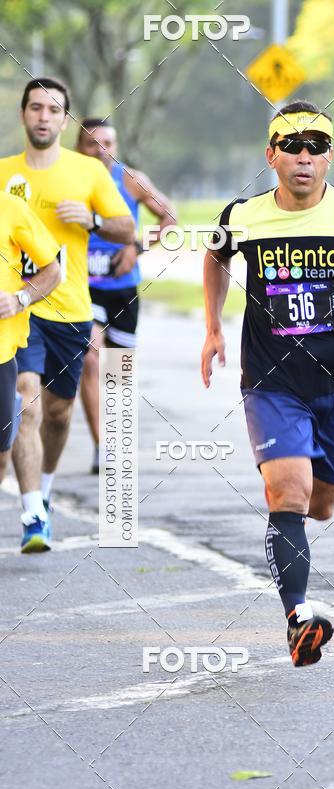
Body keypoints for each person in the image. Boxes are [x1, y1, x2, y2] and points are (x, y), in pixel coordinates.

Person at [201, 100, 334, 667]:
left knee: (319, 506)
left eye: (317, 146)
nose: (304, 156)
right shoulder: (242, 215)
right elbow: (215, 260)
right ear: (271, 155)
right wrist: (213, 328)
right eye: (292, 145)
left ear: (330, 157)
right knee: (286, 494)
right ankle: (299, 619)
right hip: (271, 382)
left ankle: (298, 561)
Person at [0, 78, 135, 551]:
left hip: (71, 308)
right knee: (25, 394)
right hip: (19, 307)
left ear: (64, 120)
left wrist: (93, 220)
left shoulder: (88, 171)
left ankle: (46, 489)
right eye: (35, 107)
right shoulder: (3, 173)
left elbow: (126, 228)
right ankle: (33, 511)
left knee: (58, 414)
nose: (42, 116)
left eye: (53, 110)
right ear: (23, 115)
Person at [77, 118, 177, 473]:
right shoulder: (68, 180)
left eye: (108, 143)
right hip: (81, 287)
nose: (102, 150)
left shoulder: (131, 180)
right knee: (91, 357)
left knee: (118, 371)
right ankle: (101, 446)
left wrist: (135, 248)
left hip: (122, 288)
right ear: (79, 148)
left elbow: (169, 217)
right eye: (93, 143)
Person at [0, 193, 61, 527]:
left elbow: (53, 270)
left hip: (3, 350)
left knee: (0, 457)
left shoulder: (10, 208)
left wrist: (20, 299)